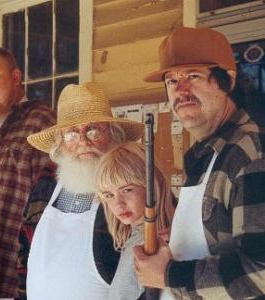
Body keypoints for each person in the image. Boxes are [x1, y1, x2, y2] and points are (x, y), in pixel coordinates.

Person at [133, 26, 265, 299]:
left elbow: (261, 271)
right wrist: (179, 241)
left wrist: (169, 275)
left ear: (227, 81)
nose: (181, 90)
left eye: (193, 76)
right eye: (171, 81)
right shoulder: (204, 155)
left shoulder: (252, 152)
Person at [25, 82, 144, 300]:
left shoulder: (133, 184)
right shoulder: (45, 186)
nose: (83, 141)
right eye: (71, 134)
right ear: (60, 144)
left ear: (113, 134)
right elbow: (24, 251)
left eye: (93, 130)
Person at [0, 47, 56, 300]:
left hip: (4, 264)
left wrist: (27, 265)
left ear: (16, 78)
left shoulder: (40, 122)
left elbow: (47, 203)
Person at [95, 142, 175, 300]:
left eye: (127, 190)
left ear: (152, 186)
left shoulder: (162, 243)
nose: (118, 204)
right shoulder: (132, 238)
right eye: (109, 195)